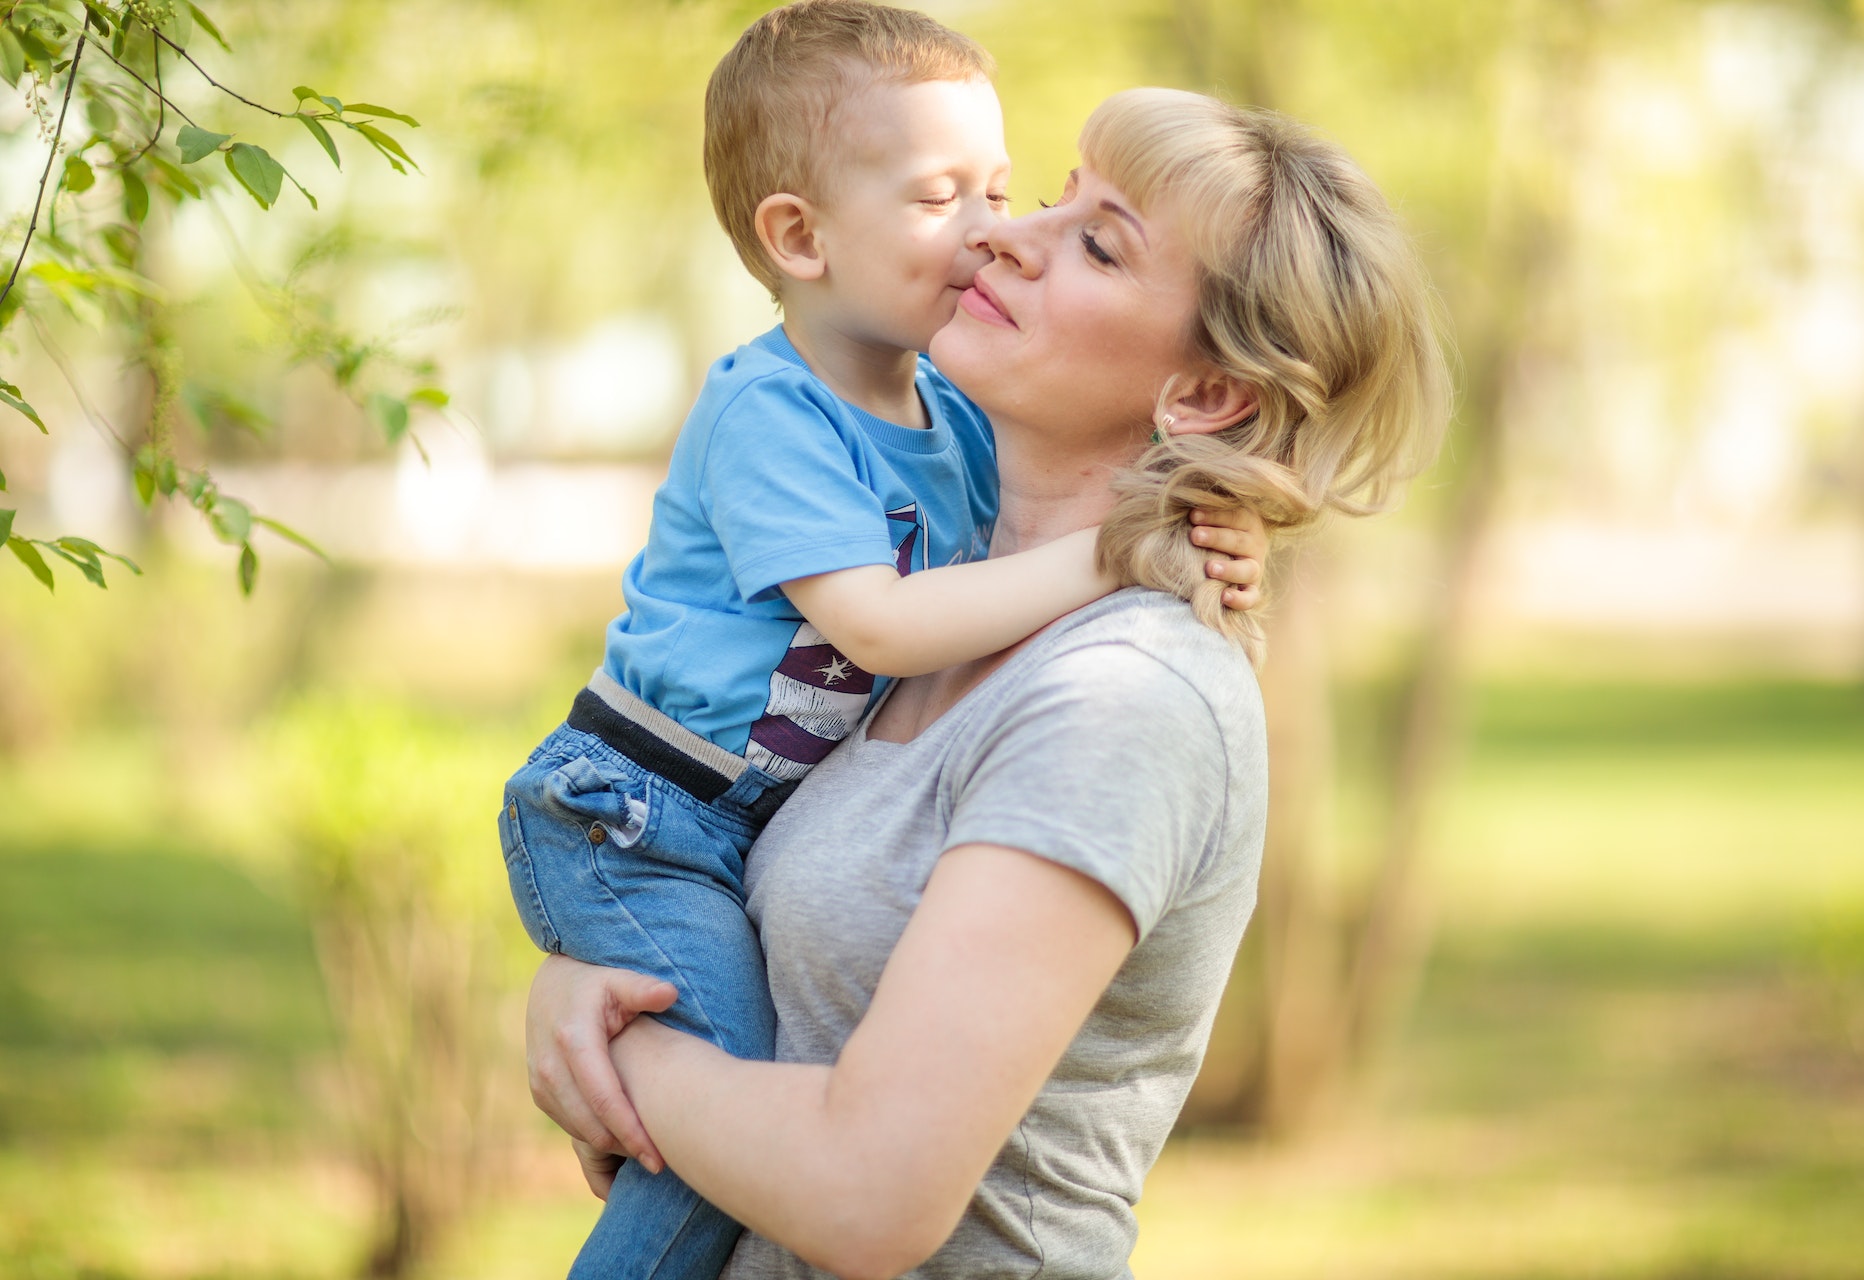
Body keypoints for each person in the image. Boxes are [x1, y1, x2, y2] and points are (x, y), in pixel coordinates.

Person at [525, 83, 1451, 1280]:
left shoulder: (1127, 694)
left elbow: (871, 1196)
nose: (1007, 233)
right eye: (1058, 196)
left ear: (1208, 395)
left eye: (1099, 243)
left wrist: (612, 1050)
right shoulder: (932, 594)